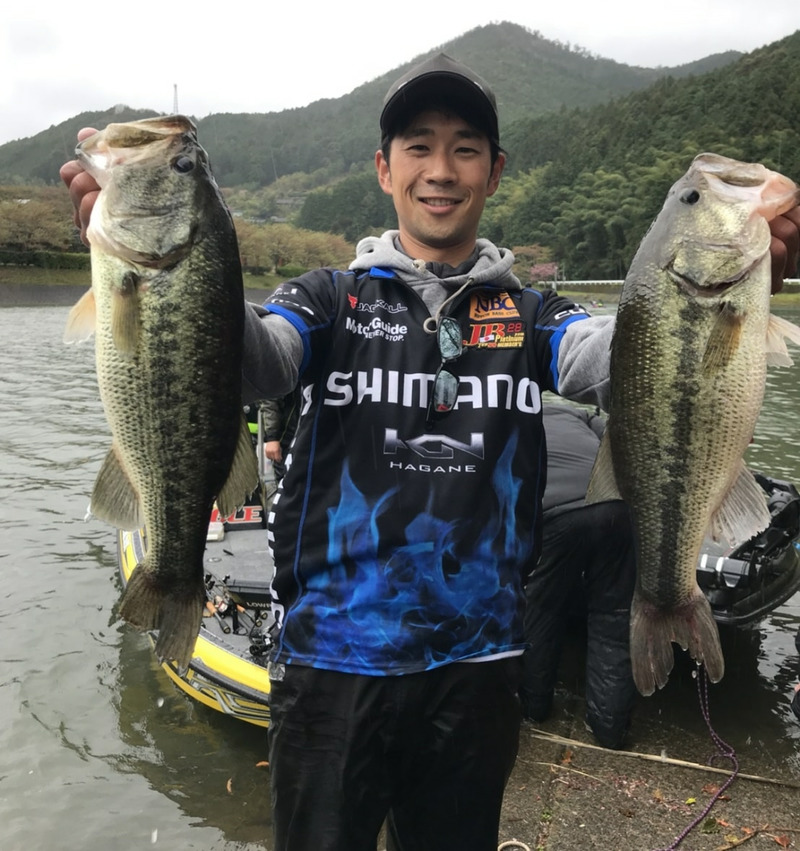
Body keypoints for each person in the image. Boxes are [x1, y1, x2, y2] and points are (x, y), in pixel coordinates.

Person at [61, 53, 800, 851]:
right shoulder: (326, 299)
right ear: (385, 169)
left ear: (494, 172)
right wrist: (178, 271)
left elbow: (614, 362)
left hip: (478, 666)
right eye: (418, 145)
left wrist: (719, 290)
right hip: (330, 662)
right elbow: (259, 362)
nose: (441, 170)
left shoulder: (534, 314)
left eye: (465, 149)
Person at [521, 403, 637, 750]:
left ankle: (534, 707)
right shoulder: (579, 416)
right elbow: (616, 440)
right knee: (614, 617)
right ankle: (609, 728)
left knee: (542, 611)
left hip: (557, 514)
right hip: (618, 507)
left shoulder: (515, 417)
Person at [260, 387, 302, 483]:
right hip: (289, 436)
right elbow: (270, 396)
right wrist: (272, 437)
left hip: (319, 436)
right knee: (287, 482)